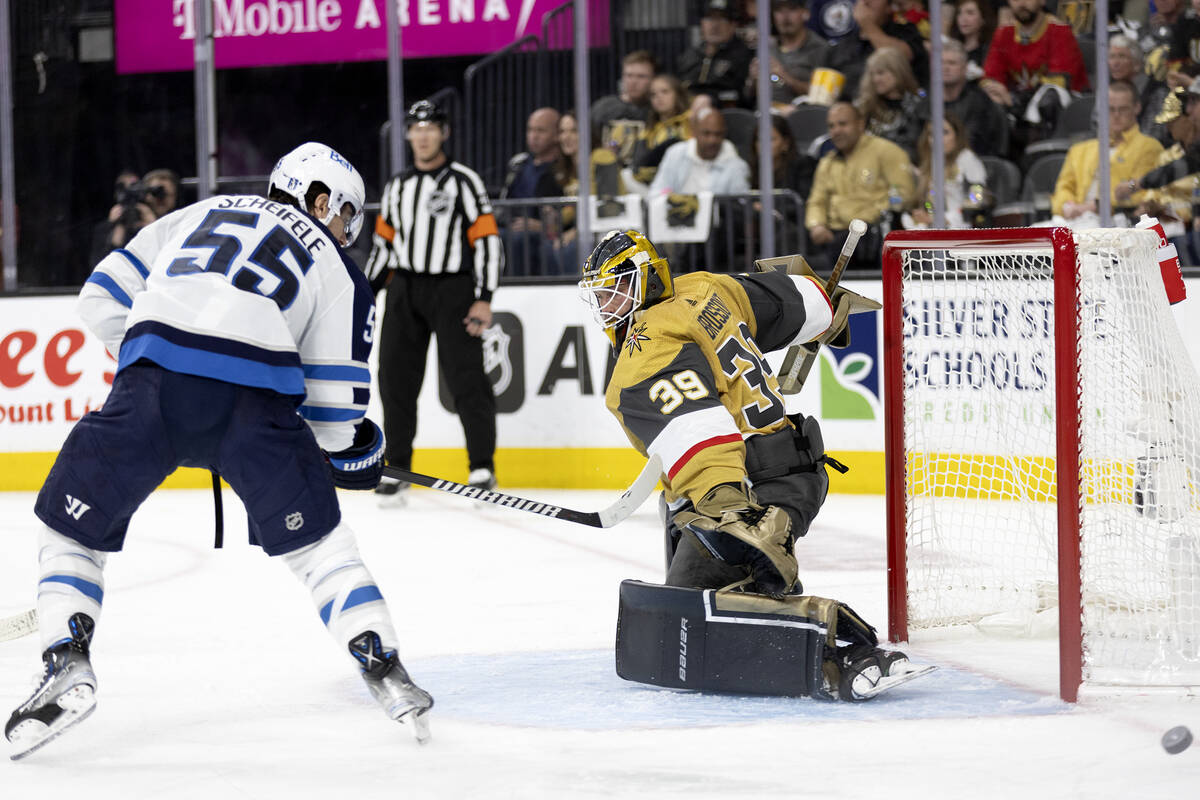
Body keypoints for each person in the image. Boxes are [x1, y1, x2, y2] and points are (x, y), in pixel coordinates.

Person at [4, 143, 433, 759]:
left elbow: (98, 297)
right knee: (321, 551)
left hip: (151, 385)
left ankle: (65, 659)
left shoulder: (196, 213)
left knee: (70, 535)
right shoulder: (339, 272)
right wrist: (354, 454)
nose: (347, 231)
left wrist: (158, 361)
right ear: (318, 199)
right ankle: (383, 665)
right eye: (345, 214)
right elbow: (336, 415)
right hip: (255, 412)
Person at [577, 228, 918, 701]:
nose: (608, 304)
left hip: (752, 489)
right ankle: (769, 589)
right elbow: (799, 300)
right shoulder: (706, 288)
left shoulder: (646, 347)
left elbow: (700, 433)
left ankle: (840, 649)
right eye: (600, 295)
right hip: (796, 470)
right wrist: (824, 314)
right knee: (678, 513)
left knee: (685, 623)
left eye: (616, 289)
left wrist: (728, 507)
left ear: (648, 278)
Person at [366, 100, 503, 506]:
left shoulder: (464, 181)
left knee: (467, 379)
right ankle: (399, 465)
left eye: (431, 127)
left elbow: (488, 242)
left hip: (453, 288)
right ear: (408, 134)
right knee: (395, 379)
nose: (423, 135)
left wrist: (484, 298)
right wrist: (367, 293)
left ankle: (482, 466)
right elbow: (383, 247)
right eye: (416, 128)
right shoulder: (397, 186)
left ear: (443, 132)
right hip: (405, 288)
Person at [806, 101, 916, 271]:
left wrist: (865, 220)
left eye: (842, 124)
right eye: (831, 126)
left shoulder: (886, 152)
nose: (836, 131)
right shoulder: (827, 162)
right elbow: (817, 201)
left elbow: (904, 194)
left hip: (873, 235)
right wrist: (817, 225)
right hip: (835, 237)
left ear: (860, 124)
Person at [980, 0, 1090, 151]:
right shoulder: (1003, 33)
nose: (1022, 3)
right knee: (987, 101)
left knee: (1049, 99)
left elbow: (1057, 83)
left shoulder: (1059, 31)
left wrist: (1012, 99)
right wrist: (998, 94)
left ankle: (1042, 155)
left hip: (1060, 112)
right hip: (1015, 108)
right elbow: (990, 78)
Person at [1050, 81, 1163, 222]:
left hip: (1119, 222)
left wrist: (1094, 206)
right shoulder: (1078, 150)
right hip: (1074, 220)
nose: (1116, 115)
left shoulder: (1149, 147)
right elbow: (1063, 188)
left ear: (1137, 108)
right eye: (1110, 109)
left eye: (1123, 109)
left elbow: (1143, 194)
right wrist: (1066, 205)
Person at [500, 107, 563, 276]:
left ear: (557, 134)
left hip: (540, 234)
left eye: (540, 131)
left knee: (519, 240)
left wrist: (542, 226)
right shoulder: (518, 165)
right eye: (530, 130)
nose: (533, 136)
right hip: (513, 227)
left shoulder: (562, 168)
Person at [825, 0, 929, 102]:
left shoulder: (906, 32)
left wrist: (867, 25)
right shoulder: (843, 45)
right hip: (846, 109)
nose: (865, 2)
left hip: (893, 110)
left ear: (889, 7)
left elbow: (900, 59)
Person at [904, 114, 989, 229]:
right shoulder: (931, 164)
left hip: (963, 228)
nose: (937, 139)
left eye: (944, 132)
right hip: (933, 226)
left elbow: (976, 201)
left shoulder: (967, 159)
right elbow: (928, 202)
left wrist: (946, 219)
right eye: (932, 134)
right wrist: (924, 214)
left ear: (957, 135)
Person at [745, 0, 830, 107]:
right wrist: (753, 79)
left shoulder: (821, 48)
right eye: (779, 11)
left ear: (806, 13)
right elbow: (748, 96)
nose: (785, 17)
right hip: (765, 115)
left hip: (802, 115)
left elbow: (824, 98)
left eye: (792, 9)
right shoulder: (766, 46)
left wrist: (784, 77)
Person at [649, 108, 751, 196]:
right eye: (706, 133)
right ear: (694, 132)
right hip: (674, 216)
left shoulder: (737, 166)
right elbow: (657, 192)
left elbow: (739, 207)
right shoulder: (675, 153)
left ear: (724, 134)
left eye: (718, 134)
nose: (712, 140)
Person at [89, 168, 181, 265]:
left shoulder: (178, 225)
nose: (161, 199)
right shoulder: (112, 226)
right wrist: (114, 227)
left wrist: (152, 225)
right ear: (145, 194)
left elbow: (172, 261)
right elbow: (100, 267)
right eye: (155, 193)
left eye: (165, 194)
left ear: (175, 196)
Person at [855, 46, 928, 161]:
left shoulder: (918, 105)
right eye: (872, 74)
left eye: (881, 73)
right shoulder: (863, 107)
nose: (875, 79)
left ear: (897, 71)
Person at [676, 0, 754, 107]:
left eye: (721, 18)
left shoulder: (744, 56)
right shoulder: (689, 55)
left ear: (733, 25)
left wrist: (709, 100)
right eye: (709, 18)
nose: (714, 25)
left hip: (728, 114)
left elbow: (745, 96)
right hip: (686, 112)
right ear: (702, 23)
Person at [942, 38, 1009, 157]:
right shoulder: (925, 103)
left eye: (952, 63)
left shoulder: (980, 103)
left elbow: (972, 144)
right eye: (941, 63)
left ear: (965, 68)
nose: (945, 68)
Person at [592, 50, 657, 166]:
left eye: (641, 76)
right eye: (629, 75)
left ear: (653, 79)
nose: (633, 82)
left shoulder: (658, 110)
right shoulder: (604, 107)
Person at [630, 74, 694, 186]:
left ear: (677, 94)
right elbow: (639, 165)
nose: (659, 97)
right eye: (653, 95)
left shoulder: (692, 119)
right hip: (655, 181)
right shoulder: (648, 130)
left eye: (665, 92)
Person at [1108, 34, 1170, 144]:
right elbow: (1097, 128)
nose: (1115, 63)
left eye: (1121, 56)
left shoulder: (1158, 92)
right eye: (1112, 57)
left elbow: (1153, 136)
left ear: (1136, 63)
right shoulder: (1107, 90)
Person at [949, 0, 997, 79]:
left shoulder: (990, 51)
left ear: (983, 19)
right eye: (959, 13)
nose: (963, 19)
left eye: (970, 13)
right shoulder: (951, 49)